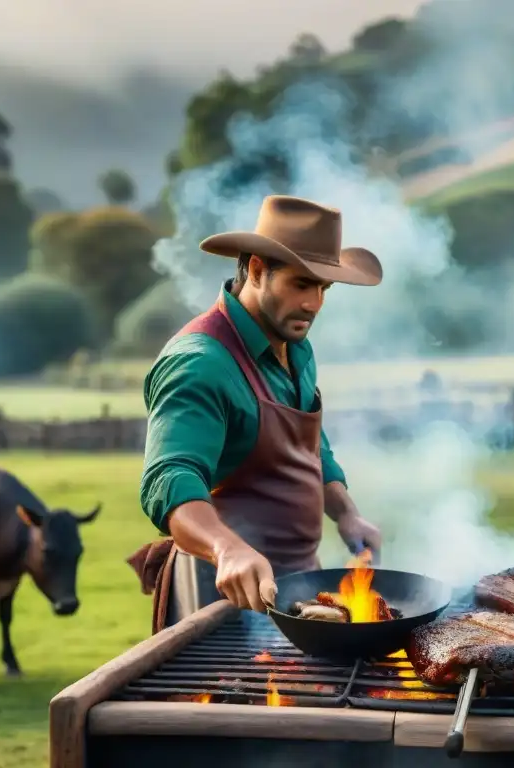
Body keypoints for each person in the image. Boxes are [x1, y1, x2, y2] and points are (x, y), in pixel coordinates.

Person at [128, 195, 383, 633]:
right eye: (302, 284)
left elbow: (308, 445)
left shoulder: (296, 349)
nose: (315, 303)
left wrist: (344, 511)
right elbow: (170, 478)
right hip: (220, 597)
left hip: (300, 589)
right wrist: (227, 548)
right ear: (257, 269)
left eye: (324, 288)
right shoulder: (200, 362)